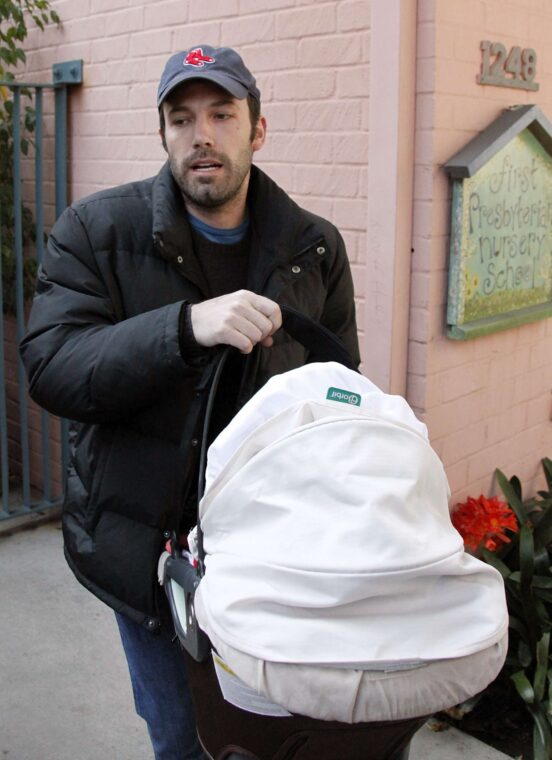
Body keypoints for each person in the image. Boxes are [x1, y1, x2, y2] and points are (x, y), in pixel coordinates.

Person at [20, 45, 360, 760]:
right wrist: (183, 327)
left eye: (221, 115)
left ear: (256, 131)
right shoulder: (96, 232)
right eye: (181, 118)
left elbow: (341, 389)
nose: (201, 134)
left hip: (273, 556)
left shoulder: (315, 249)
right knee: (181, 737)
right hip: (148, 550)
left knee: (269, 736)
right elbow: (53, 367)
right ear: (163, 134)